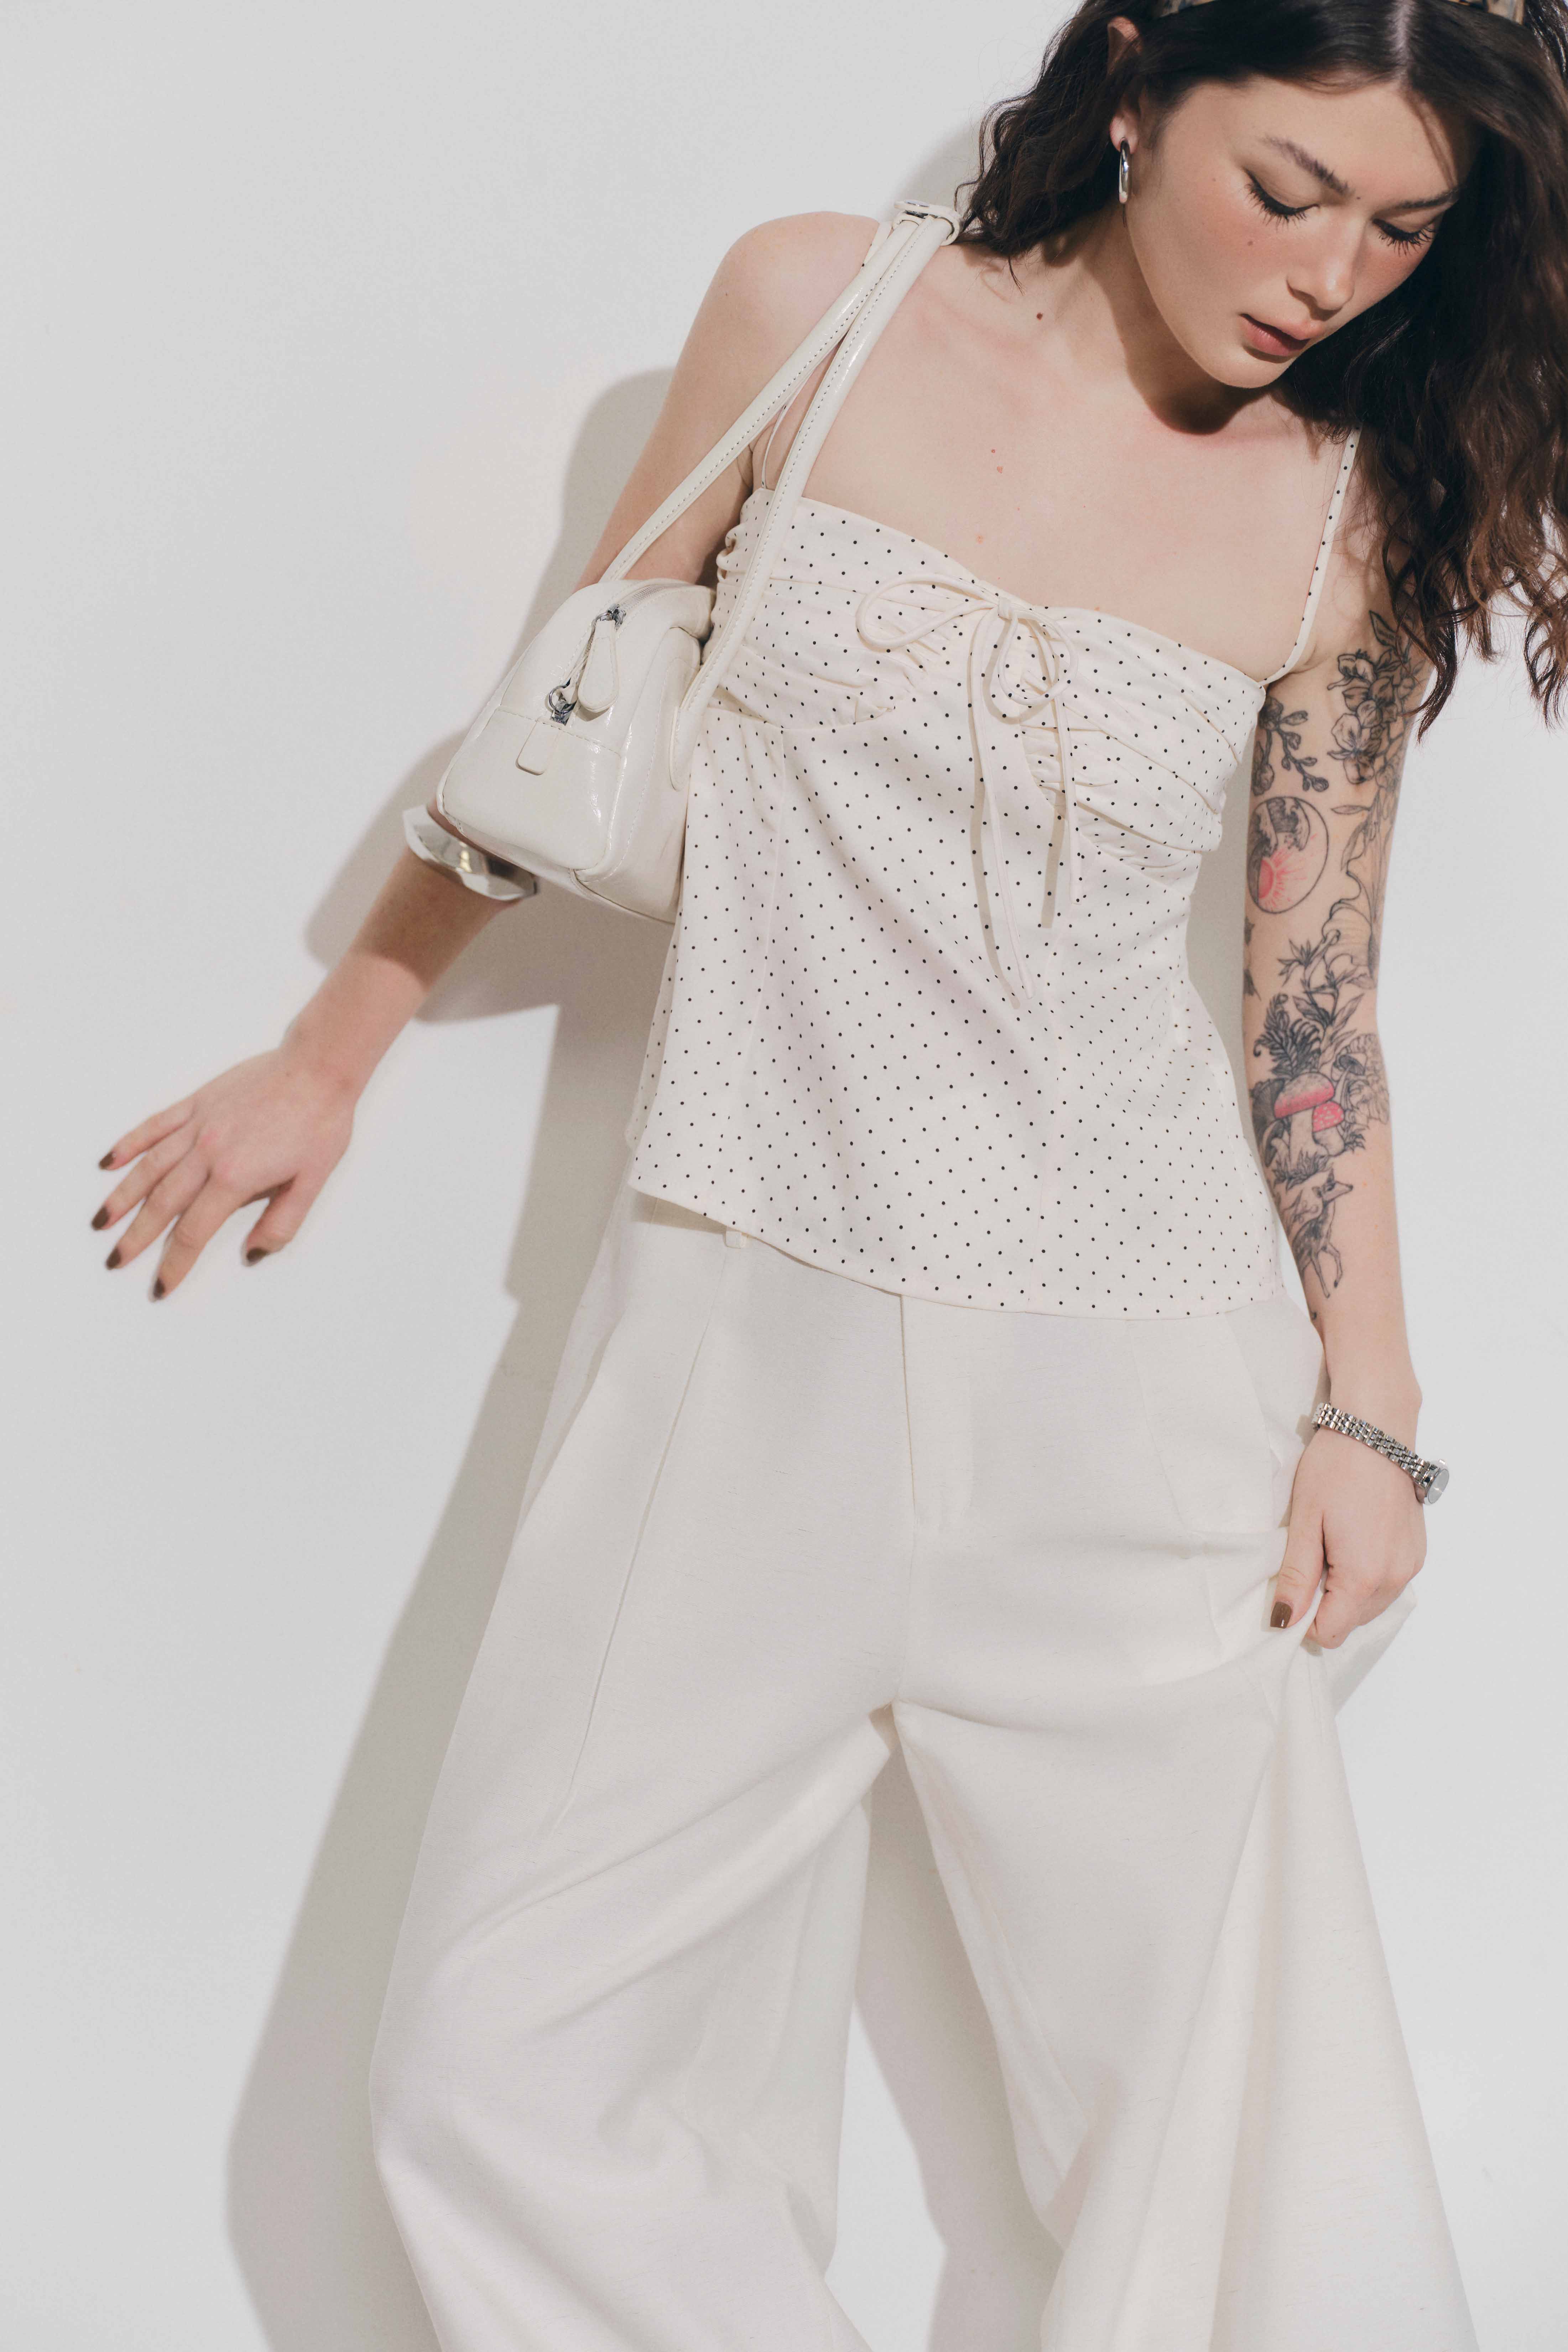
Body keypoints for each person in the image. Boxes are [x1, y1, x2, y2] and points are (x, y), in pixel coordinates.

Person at [93, 2, 1568, 2344]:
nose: (1327, 274)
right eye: (1286, 190)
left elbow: (1314, 1015)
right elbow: (563, 705)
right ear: (1131, 93)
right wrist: (329, 1049)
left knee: (1229, 2103)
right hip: (737, 1320)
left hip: (1136, 1381)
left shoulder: (1337, 517)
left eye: (1400, 231)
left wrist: (1367, 1414)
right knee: (499, 2064)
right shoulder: (818, 308)